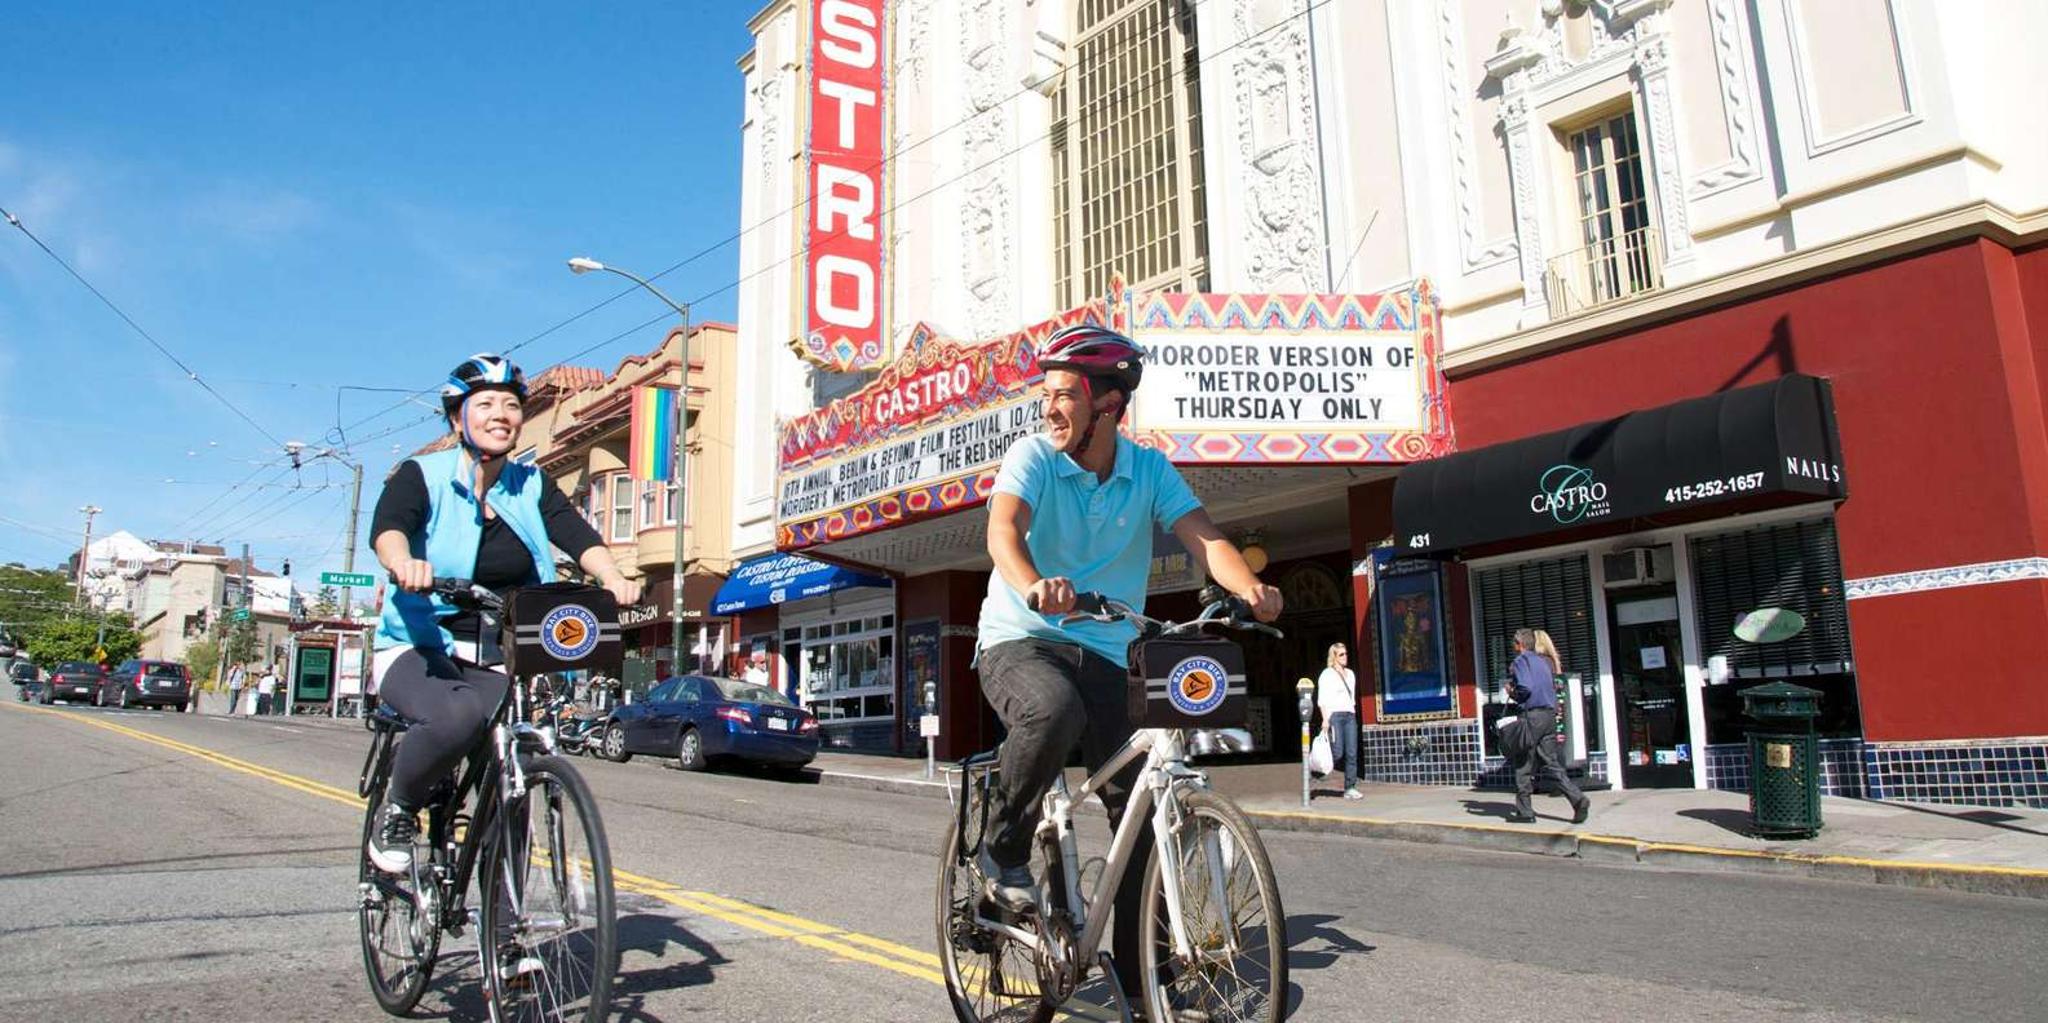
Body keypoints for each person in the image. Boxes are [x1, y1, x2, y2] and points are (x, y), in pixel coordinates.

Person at [974, 323, 1283, 1006]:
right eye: (1046, 394)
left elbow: (1206, 538)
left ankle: (1147, 978)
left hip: (1110, 651)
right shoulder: (1032, 457)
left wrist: (1250, 589)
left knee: (1142, 805)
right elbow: (1003, 530)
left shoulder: (1147, 470)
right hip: (1021, 636)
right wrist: (1033, 582)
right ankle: (1002, 848)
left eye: (1063, 395)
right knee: (1054, 709)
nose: (1049, 407)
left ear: (1107, 403)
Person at [365, 353, 641, 874]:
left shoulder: (530, 485)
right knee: (457, 715)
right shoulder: (421, 475)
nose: (501, 414)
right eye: (485, 403)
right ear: (457, 418)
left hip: (496, 650)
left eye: (511, 405)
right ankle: (398, 808)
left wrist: (613, 577)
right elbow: (390, 528)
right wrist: (403, 563)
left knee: (511, 766)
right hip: (420, 644)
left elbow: (578, 536)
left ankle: (508, 939)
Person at [1505, 627, 1590, 824]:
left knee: (1523, 764)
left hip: (1532, 716)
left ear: (1519, 644)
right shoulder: (1544, 661)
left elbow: (1525, 687)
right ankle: (1577, 798)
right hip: (1549, 715)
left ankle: (1525, 812)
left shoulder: (1521, 661)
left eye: (1514, 643)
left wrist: (1512, 692)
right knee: (1550, 762)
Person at [1317, 642, 1362, 800]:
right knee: (1338, 751)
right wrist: (1325, 719)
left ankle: (1350, 787)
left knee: (1352, 752)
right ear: (1334, 657)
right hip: (1335, 716)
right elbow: (1322, 699)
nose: (1345, 657)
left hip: (1349, 715)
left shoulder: (1350, 674)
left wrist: (1353, 712)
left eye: (1346, 653)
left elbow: (1352, 698)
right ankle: (1318, 769)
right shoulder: (1327, 674)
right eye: (1341, 654)